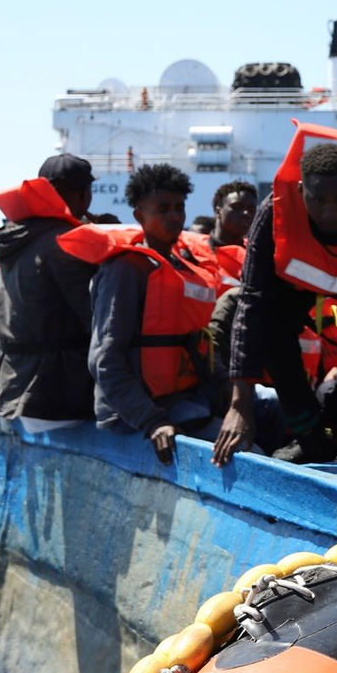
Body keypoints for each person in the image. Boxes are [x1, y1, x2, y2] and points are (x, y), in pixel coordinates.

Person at [60, 163, 280, 465]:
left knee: (273, 408)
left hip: (187, 398)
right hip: (142, 411)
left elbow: (201, 349)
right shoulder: (125, 271)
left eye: (179, 208)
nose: (175, 217)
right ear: (139, 215)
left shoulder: (182, 266)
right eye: (163, 209)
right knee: (252, 457)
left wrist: (233, 399)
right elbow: (105, 360)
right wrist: (152, 421)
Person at [225, 127, 337, 464]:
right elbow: (251, 303)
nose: (329, 211)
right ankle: (310, 437)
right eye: (317, 199)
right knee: (267, 331)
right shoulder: (273, 213)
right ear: (300, 191)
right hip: (292, 290)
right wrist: (240, 405)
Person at [0, 155, 98, 426]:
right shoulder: (65, 243)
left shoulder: (13, 238)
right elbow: (97, 320)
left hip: (13, 389)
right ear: (81, 194)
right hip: (57, 398)